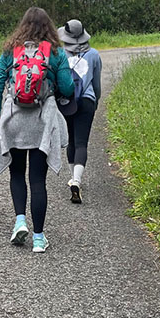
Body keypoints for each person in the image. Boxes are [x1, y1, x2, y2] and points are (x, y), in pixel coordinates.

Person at [0, 7, 74, 253]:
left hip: (14, 120)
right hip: (42, 121)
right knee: (38, 180)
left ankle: (19, 222)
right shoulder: (56, 53)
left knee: (17, 174)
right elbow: (68, 88)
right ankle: (38, 238)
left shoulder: (11, 51)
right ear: (49, 27)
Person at [57, 19, 102, 204]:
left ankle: (72, 178)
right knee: (82, 142)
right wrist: (96, 100)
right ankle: (77, 180)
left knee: (72, 140)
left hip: (67, 101)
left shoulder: (60, 54)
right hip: (87, 101)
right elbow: (97, 84)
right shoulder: (94, 54)